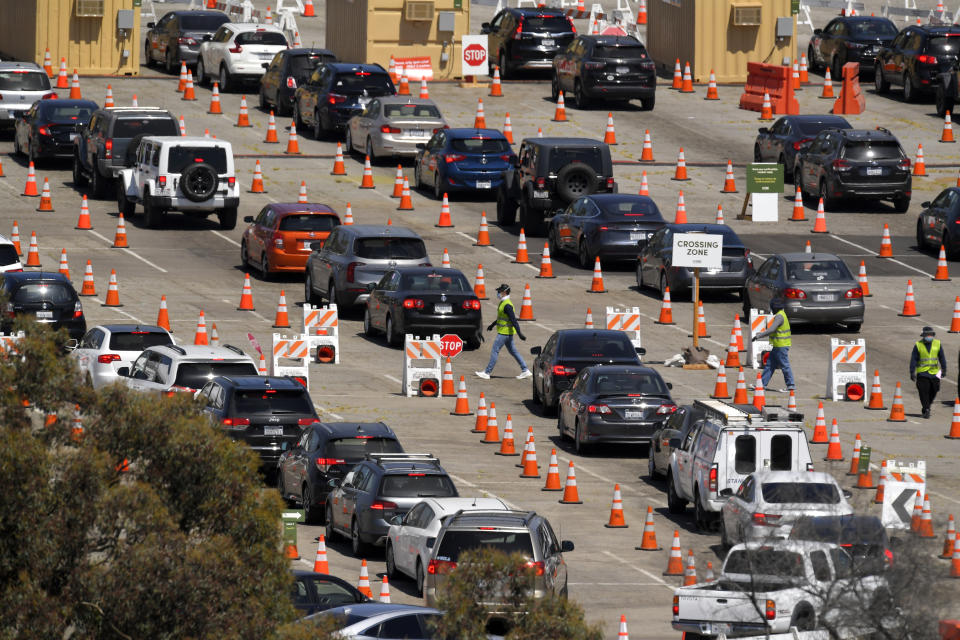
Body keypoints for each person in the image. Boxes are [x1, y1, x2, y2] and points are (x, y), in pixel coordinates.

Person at [476, 284, 531, 380]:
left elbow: (514, 321)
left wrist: (520, 334)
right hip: (506, 333)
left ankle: (487, 372)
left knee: (495, 350)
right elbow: (502, 318)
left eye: (499, 292)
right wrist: (492, 325)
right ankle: (525, 370)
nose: (498, 293)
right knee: (513, 351)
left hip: (504, 333)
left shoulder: (507, 305)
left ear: (504, 292)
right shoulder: (503, 303)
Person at [752, 298, 795, 392]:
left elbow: (771, 330)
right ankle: (762, 384)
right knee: (770, 365)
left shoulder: (779, 316)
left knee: (784, 365)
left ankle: (791, 385)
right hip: (778, 346)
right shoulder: (782, 314)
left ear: (774, 307)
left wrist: (759, 335)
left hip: (781, 346)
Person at [910, 326, 946, 419]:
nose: (929, 336)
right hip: (922, 373)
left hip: (935, 372)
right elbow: (913, 359)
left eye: (931, 335)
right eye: (927, 335)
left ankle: (927, 406)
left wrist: (944, 369)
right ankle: (926, 409)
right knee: (923, 392)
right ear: (923, 335)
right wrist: (912, 372)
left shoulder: (937, 344)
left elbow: (942, 357)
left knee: (935, 389)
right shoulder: (918, 345)